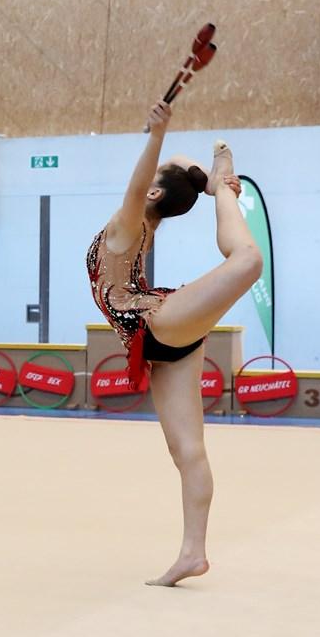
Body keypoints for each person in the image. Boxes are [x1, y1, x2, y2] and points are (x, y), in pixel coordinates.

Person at [87, 100, 262, 587]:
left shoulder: (128, 223)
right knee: (185, 449)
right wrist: (206, 178)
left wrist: (160, 137)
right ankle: (192, 554)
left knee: (248, 261)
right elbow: (175, 175)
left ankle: (227, 192)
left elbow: (146, 182)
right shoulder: (145, 223)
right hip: (159, 340)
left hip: (157, 322)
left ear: (154, 190)